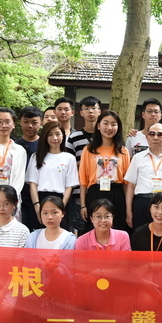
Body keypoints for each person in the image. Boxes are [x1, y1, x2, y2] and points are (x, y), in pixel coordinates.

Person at [79, 110, 130, 232]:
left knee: (116, 230)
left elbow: (126, 182)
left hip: (116, 194)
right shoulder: (88, 150)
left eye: (113, 124)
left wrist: (128, 208)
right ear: (98, 126)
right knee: (95, 231)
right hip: (95, 193)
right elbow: (83, 180)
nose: (109, 128)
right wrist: (83, 205)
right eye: (105, 123)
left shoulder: (123, 151)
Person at [125, 122, 162, 229]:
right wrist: (129, 212)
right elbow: (131, 186)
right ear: (147, 137)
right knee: (140, 236)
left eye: (160, 134)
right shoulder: (137, 158)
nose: (155, 137)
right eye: (152, 134)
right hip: (142, 203)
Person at [26, 121, 79, 229]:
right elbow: (33, 184)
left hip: (61, 200)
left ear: (63, 136)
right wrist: (37, 206)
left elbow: (69, 186)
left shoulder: (69, 158)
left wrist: (61, 207)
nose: (54, 138)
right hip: (40, 199)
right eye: (50, 134)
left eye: (58, 134)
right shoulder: (36, 157)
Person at [65, 96, 101, 233]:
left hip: (100, 188)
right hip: (79, 191)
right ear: (81, 113)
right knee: (81, 229)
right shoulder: (73, 137)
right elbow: (68, 164)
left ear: (99, 111)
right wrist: (84, 164)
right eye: (86, 108)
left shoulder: (105, 136)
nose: (90, 111)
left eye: (94, 108)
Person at [15, 106, 44, 230]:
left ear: (41, 123)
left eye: (34, 122)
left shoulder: (45, 146)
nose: (30, 126)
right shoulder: (14, 146)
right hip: (19, 196)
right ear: (20, 122)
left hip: (39, 197)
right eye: (26, 122)